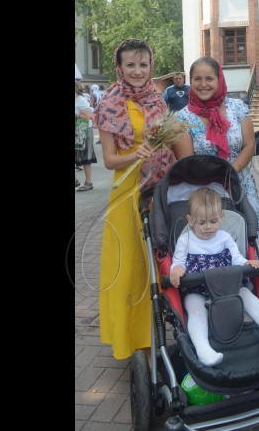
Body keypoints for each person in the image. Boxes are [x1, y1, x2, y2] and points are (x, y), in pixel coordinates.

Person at [93, 38, 188, 363]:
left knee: (155, 265)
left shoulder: (157, 102)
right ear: (119, 68)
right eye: (130, 65)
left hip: (158, 192)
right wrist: (135, 154)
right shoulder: (108, 103)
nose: (137, 71)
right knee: (131, 269)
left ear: (151, 66)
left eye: (143, 64)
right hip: (127, 194)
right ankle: (132, 342)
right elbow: (108, 160)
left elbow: (173, 141)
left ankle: (153, 338)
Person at [169, 186, 259, 367]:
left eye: (213, 221)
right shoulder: (185, 240)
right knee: (195, 310)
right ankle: (203, 349)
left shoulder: (225, 238)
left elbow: (236, 258)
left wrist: (246, 263)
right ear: (190, 220)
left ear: (221, 217)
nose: (207, 227)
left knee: (247, 295)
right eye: (201, 223)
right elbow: (177, 261)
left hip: (229, 285)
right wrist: (178, 269)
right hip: (196, 288)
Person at [173, 56, 259, 254]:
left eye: (209, 78)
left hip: (240, 185)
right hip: (203, 192)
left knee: (248, 241)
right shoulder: (182, 118)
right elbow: (187, 162)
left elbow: (249, 145)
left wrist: (231, 172)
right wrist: (218, 178)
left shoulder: (238, 108)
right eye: (197, 79)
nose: (203, 84)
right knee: (210, 247)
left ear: (219, 80)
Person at [75, 82, 97, 190]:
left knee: (85, 155)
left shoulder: (81, 100)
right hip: (76, 129)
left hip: (83, 130)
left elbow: (87, 117)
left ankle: (88, 182)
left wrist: (76, 115)